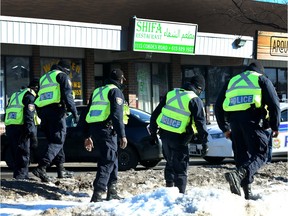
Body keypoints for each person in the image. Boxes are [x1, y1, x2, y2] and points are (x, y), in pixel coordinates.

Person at [214, 61, 280, 200]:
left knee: (243, 157)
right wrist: (275, 125)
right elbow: (274, 104)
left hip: (234, 122)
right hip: (252, 120)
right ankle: (238, 175)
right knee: (261, 153)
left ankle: (246, 193)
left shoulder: (232, 81)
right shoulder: (261, 79)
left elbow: (218, 106)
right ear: (260, 71)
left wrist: (225, 128)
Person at [149, 75, 209, 194]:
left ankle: (169, 192)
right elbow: (200, 123)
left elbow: (155, 113)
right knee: (181, 168)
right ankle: (180, 195)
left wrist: (153, 133)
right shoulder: (194, 99)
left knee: (170, 163)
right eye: (201, 91)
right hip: (180, 138)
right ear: (199, 88)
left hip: (165, 135)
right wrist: (204, 141)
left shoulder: (172, 93)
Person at [81, 68, 128, 202]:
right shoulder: (115, 91)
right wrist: (122, 134)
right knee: (108, 160)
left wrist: (87, 135)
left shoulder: (97, 90)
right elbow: (117, 115)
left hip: (96, 129)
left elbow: (86, 113)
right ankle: (98, 193)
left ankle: (112, 191)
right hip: (107, 129)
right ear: (120, 79)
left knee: (113, 158)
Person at [33, 60, 79, 182]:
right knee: (58, 140)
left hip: (44, 112)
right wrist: (74, 112)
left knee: (56, 141)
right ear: (66, 69)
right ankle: (42, 167)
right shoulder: (62, 76)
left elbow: (39, 96)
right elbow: (67, 95)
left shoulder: (44, 78)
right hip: (56, 111)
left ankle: (60, 170)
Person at [4, 79, 40, 180]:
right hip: (21, 127)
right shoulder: (29, 96)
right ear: (36, 88)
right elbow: (29, 114)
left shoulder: (16, 95)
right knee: (24, 153)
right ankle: (21, 177)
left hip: (11, 126)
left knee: (16, 153)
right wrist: (30, 130)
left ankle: (20, 175)